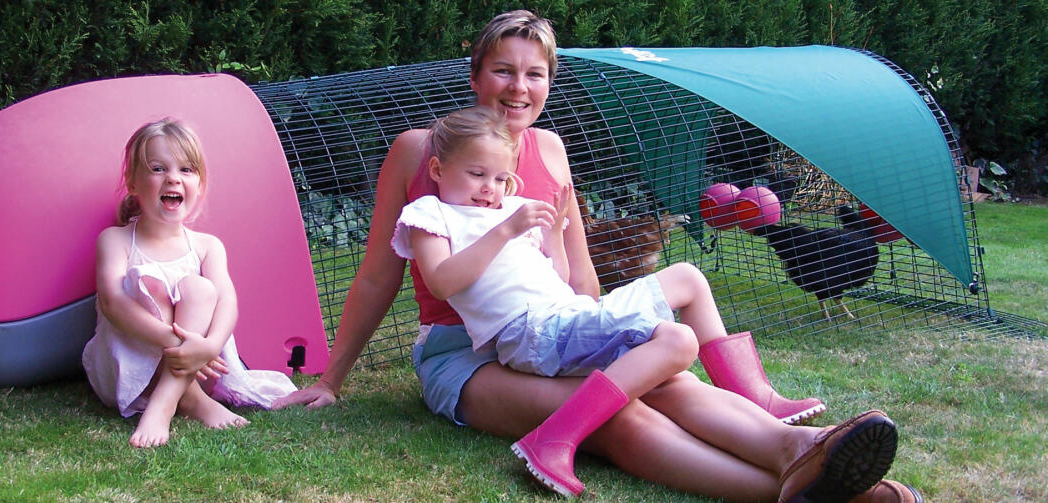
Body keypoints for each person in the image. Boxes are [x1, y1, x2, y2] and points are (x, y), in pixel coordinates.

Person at [275, 11, 921, 502]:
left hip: (550, 327)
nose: (518, 88)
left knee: (664, 378)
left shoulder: (551, 153)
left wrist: (601, 334)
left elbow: (579, 272)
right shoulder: (422, 152)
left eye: (536, 74)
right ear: (475, 76)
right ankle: (806, 489)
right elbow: (377, 275)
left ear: (550, 85)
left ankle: (802, 446)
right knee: (609, 409)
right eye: (503, 70)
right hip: (462, 357)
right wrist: (331, 380)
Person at [393, 106, 706, 494]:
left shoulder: (512, 211)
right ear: (438, 171)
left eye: (500, 178)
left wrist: (554, 233)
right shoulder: (432, 214)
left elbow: (558, 282)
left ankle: (754, 396)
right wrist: (505, 230)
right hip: (534, 333)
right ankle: (556, 437)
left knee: (688, 277)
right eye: (477, 174)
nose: (490, 188)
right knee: (678, 340)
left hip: (569, 316)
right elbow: (440, 282)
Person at [82, 118, 296, 448]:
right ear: (133, 183)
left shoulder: (207, 245)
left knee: (201, 289)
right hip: (127, 370)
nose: (173, 178)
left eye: (186, 169)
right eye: (157, 168)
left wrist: (208, 347)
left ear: (200, 184)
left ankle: (171, 400)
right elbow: (113, 303)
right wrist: (181, 344)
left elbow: (227, 301)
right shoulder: (116, 240)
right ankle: (188, 400)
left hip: (200, 363)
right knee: (148, 283)